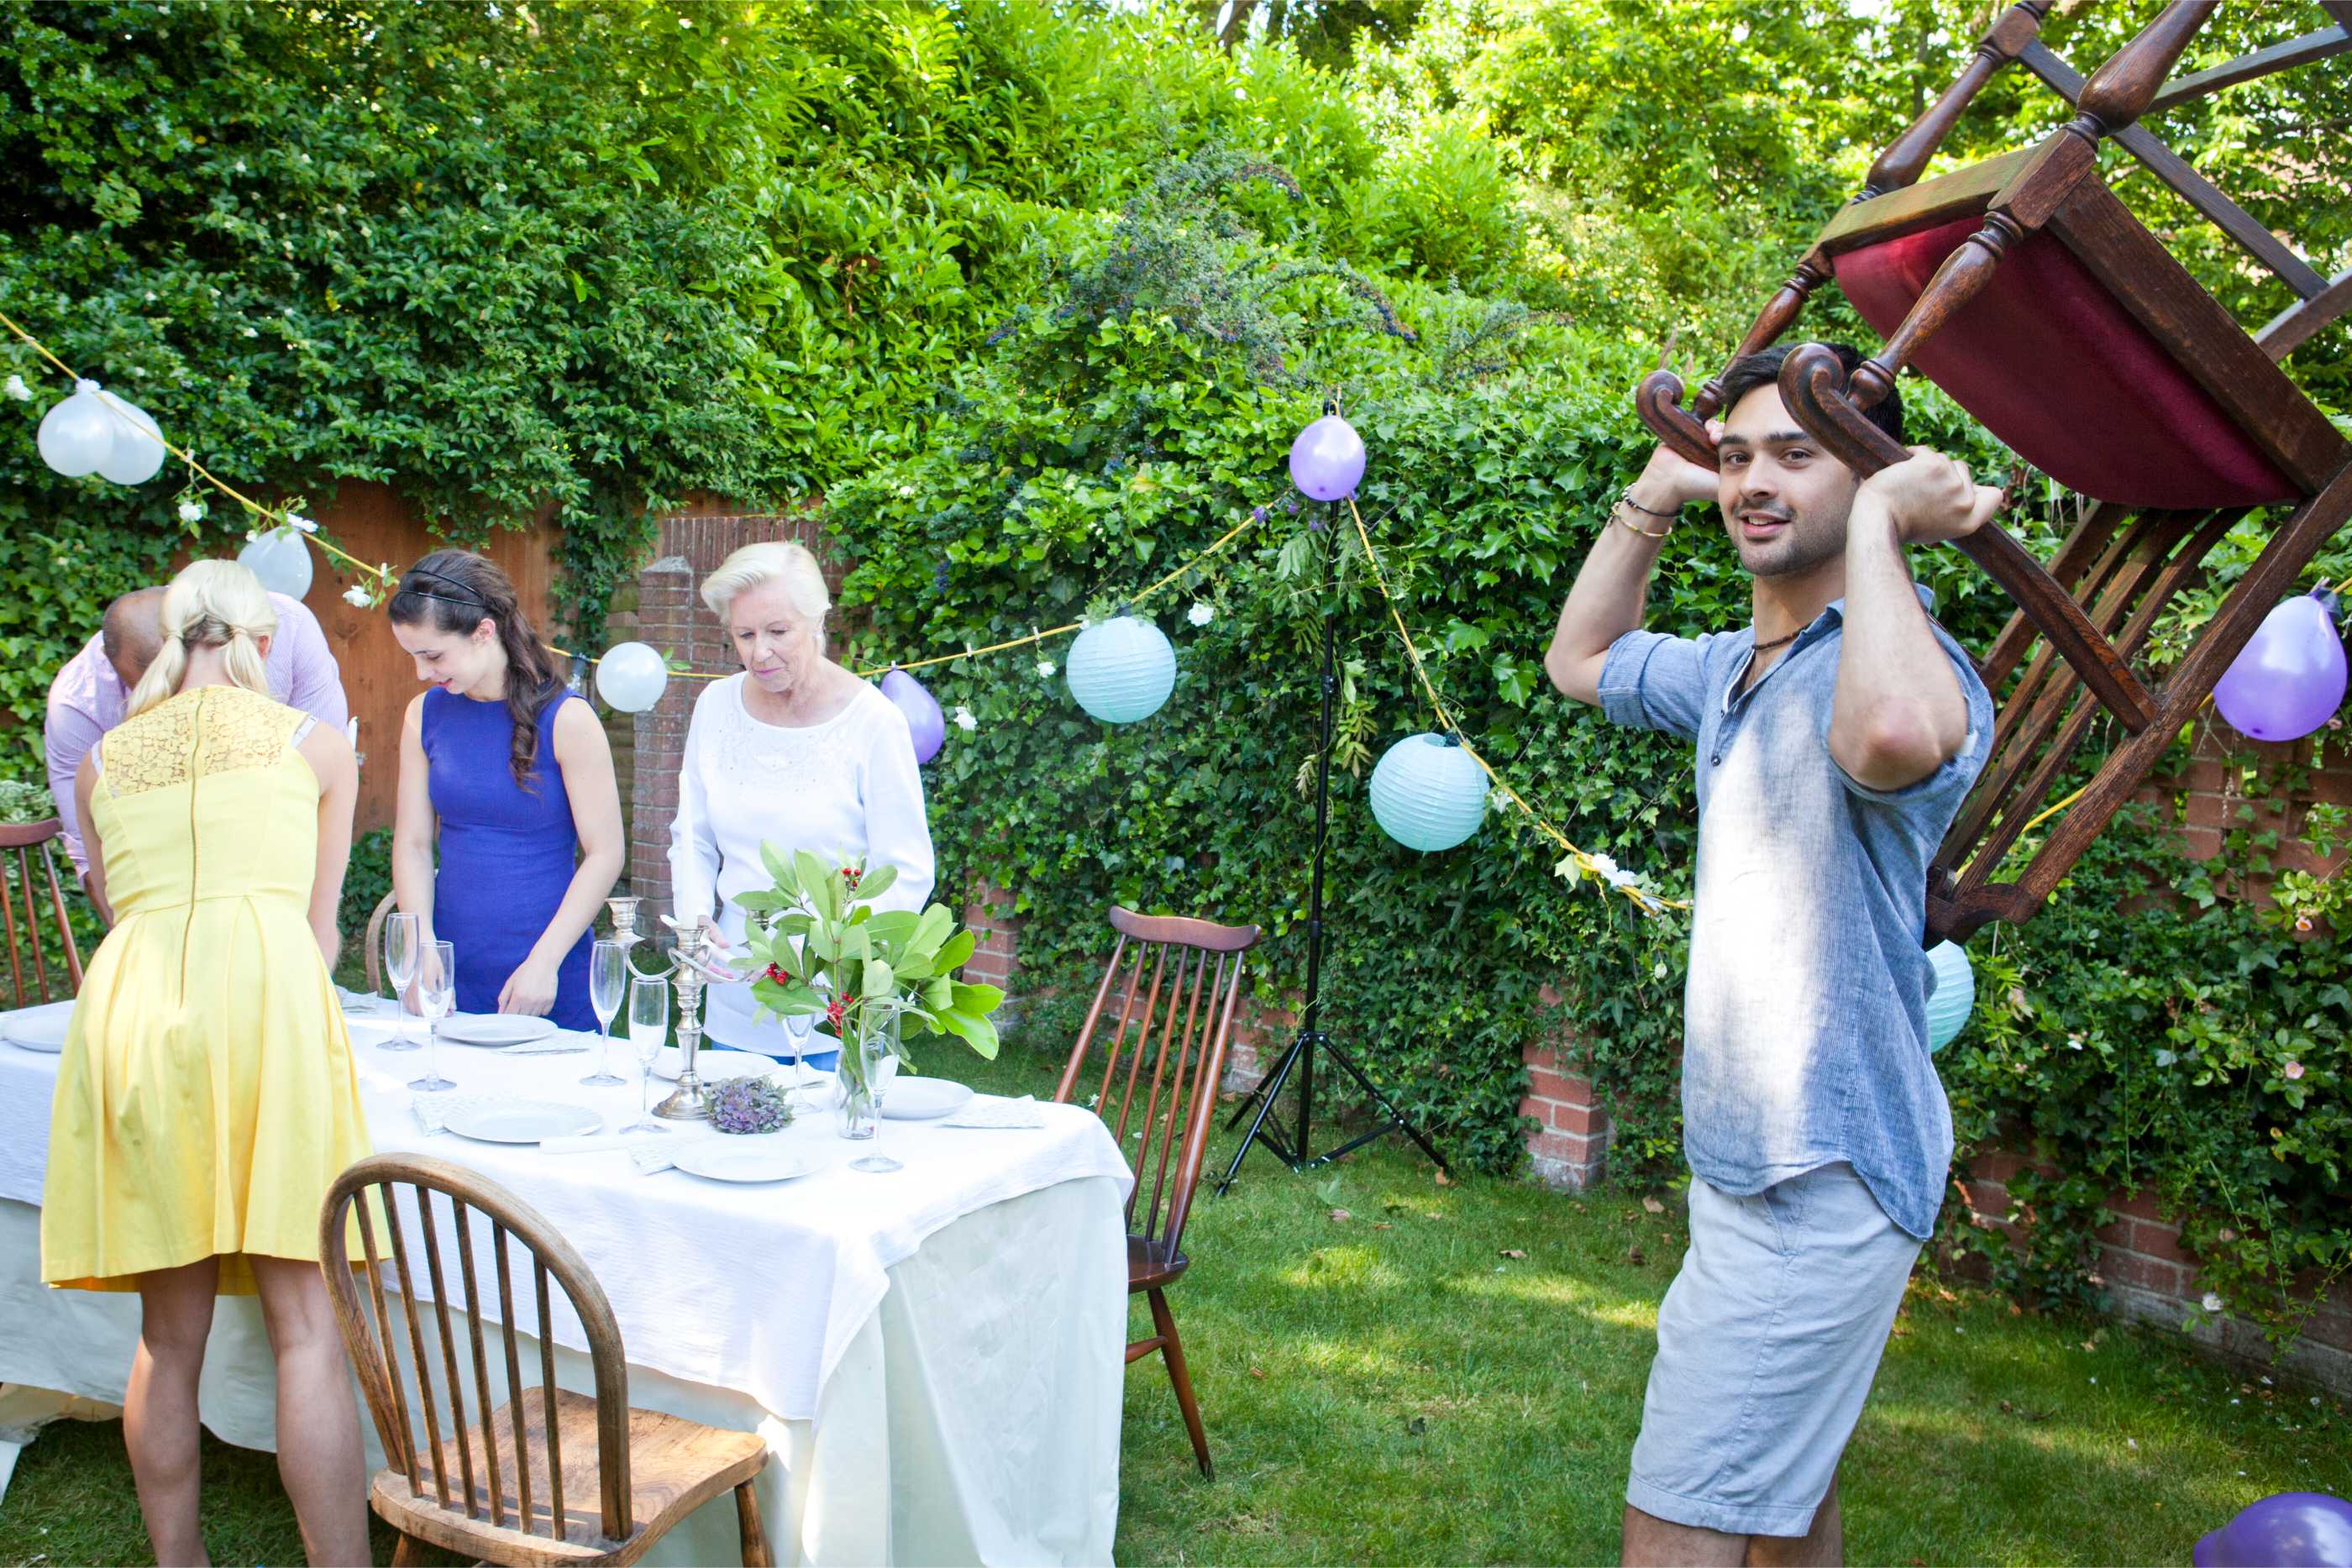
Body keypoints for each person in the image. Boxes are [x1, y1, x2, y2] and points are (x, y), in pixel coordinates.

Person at [1545, 343, 2001, 1568]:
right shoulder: (1731, 670)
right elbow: (1578, 660)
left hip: (1826, 1168)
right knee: (1782, 1511)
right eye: (1737, 453)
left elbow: (1888, 735)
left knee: (1680, 1522)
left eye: (1798, 454)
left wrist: (1889, 532)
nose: (1754, 480)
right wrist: (1661, 482)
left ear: (1871, 478)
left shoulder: (1916, 671)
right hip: (1748, 1164)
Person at [41, 559, 371, 1567]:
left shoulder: (103, 762)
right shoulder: (317, 745)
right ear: (261, 643)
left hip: (135, 1011)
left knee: (167, 1333)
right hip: (265, 999)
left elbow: (119, 906)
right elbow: (321, 935)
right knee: (305, 1323)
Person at [670, 541, 935, 1067]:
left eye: (777, 631)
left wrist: (833, 955)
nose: (758, 652)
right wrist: (696, 919)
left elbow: (907, 870)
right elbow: (693, 838)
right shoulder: (715, 706)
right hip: (735, 998)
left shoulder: (874, 721)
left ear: (817, 619)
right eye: (744, 635)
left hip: (834, 1010)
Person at [386, 549, 622, 1029]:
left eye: (432, 655)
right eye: (413, 656)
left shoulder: (568, 719)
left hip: (544, 975)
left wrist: (545, 962)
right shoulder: (422, 714)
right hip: (449, 975)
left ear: (484, 631)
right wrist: (420, 946)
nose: (421, 672)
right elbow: (412, 843)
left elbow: (606, 853)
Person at [45, 583, 347, 915]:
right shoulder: (77, 706)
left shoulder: (287, 626)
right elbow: (91, 856)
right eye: (150, 691)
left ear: (196, 640)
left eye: (178, 682)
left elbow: (321, 794)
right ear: (112, 665)